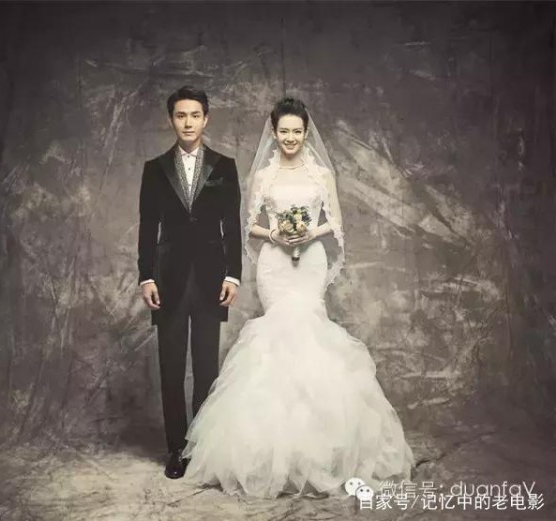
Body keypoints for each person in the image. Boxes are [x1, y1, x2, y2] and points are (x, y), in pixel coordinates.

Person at [181, 97, 414, 498]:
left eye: (297, 131)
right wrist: (275, 233)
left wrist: (310, 233)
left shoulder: (322, 174)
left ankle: (318, 454)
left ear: (306, 133)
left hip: (310, 262)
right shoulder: (263, 176)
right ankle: (272, 457)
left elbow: (336, 222)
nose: (291, 138)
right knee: (277, 339)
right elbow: (250, 226)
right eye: (284, 131)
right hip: (275, 265)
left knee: (310, 334)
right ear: (273, 133)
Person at [137, 86, 242, 479]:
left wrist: (233, 273)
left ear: (206, 119)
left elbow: (232, 224)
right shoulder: (155, 169)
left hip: (212, 278)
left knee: (206, 368)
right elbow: (147, 226)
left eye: (195, 115)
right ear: (171, 120)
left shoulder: (224, 166)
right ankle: (176, 449)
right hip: (169, 279)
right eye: (181, 115)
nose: (188, 122)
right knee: (171, 367)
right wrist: (146, 276)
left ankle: (202, 445)